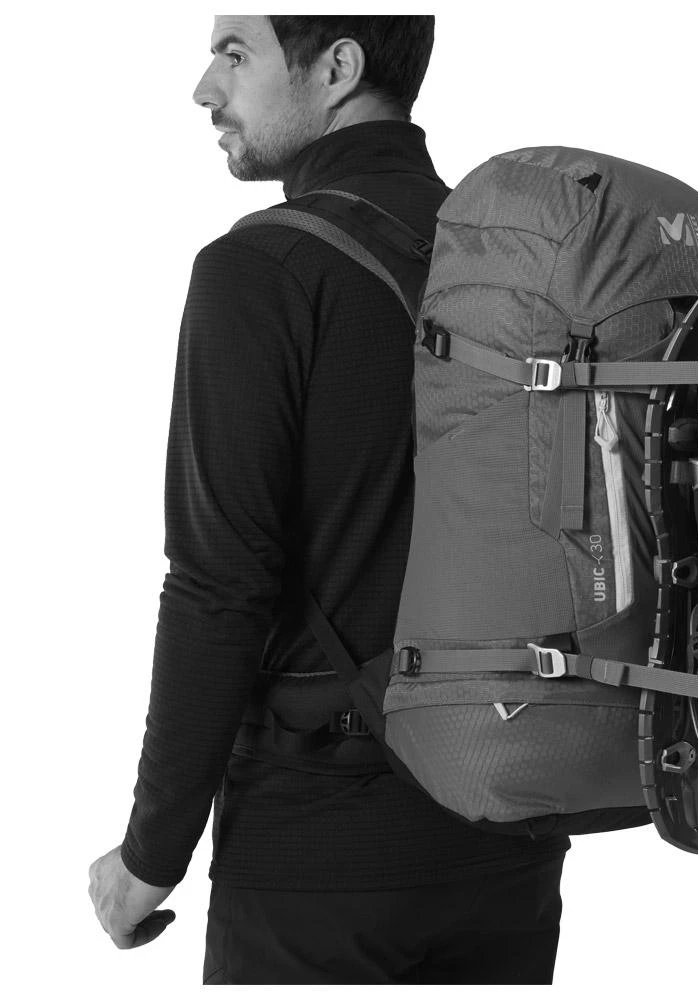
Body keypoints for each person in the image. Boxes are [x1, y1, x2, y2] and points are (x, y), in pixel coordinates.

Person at [87, 15, 572, 985]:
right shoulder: (520, 267)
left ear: (338, 68)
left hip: (318, 852)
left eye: (235, 53)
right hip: (510, 829)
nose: (205, 89)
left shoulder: (259, 269)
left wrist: (150, 854)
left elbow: (218, 584)